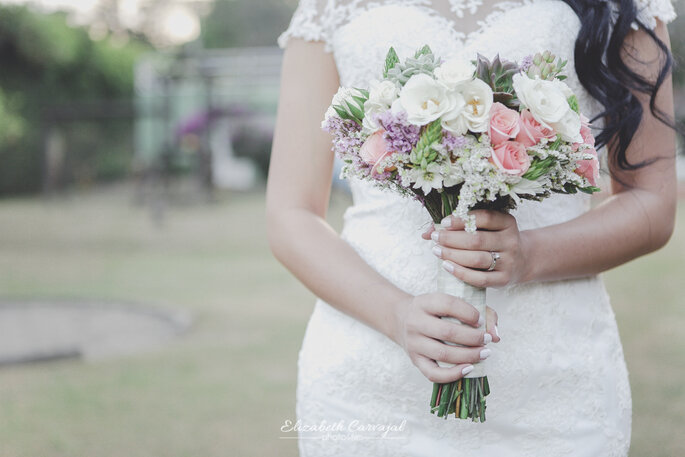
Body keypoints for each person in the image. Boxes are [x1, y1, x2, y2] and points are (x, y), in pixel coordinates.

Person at [266, 0, 678, 455]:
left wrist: (529, 256)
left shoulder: (628, 7)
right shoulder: (328, 7)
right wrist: (397, 315)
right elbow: (292, 214)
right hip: (368, 380)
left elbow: (652, 203)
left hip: (551, 382)